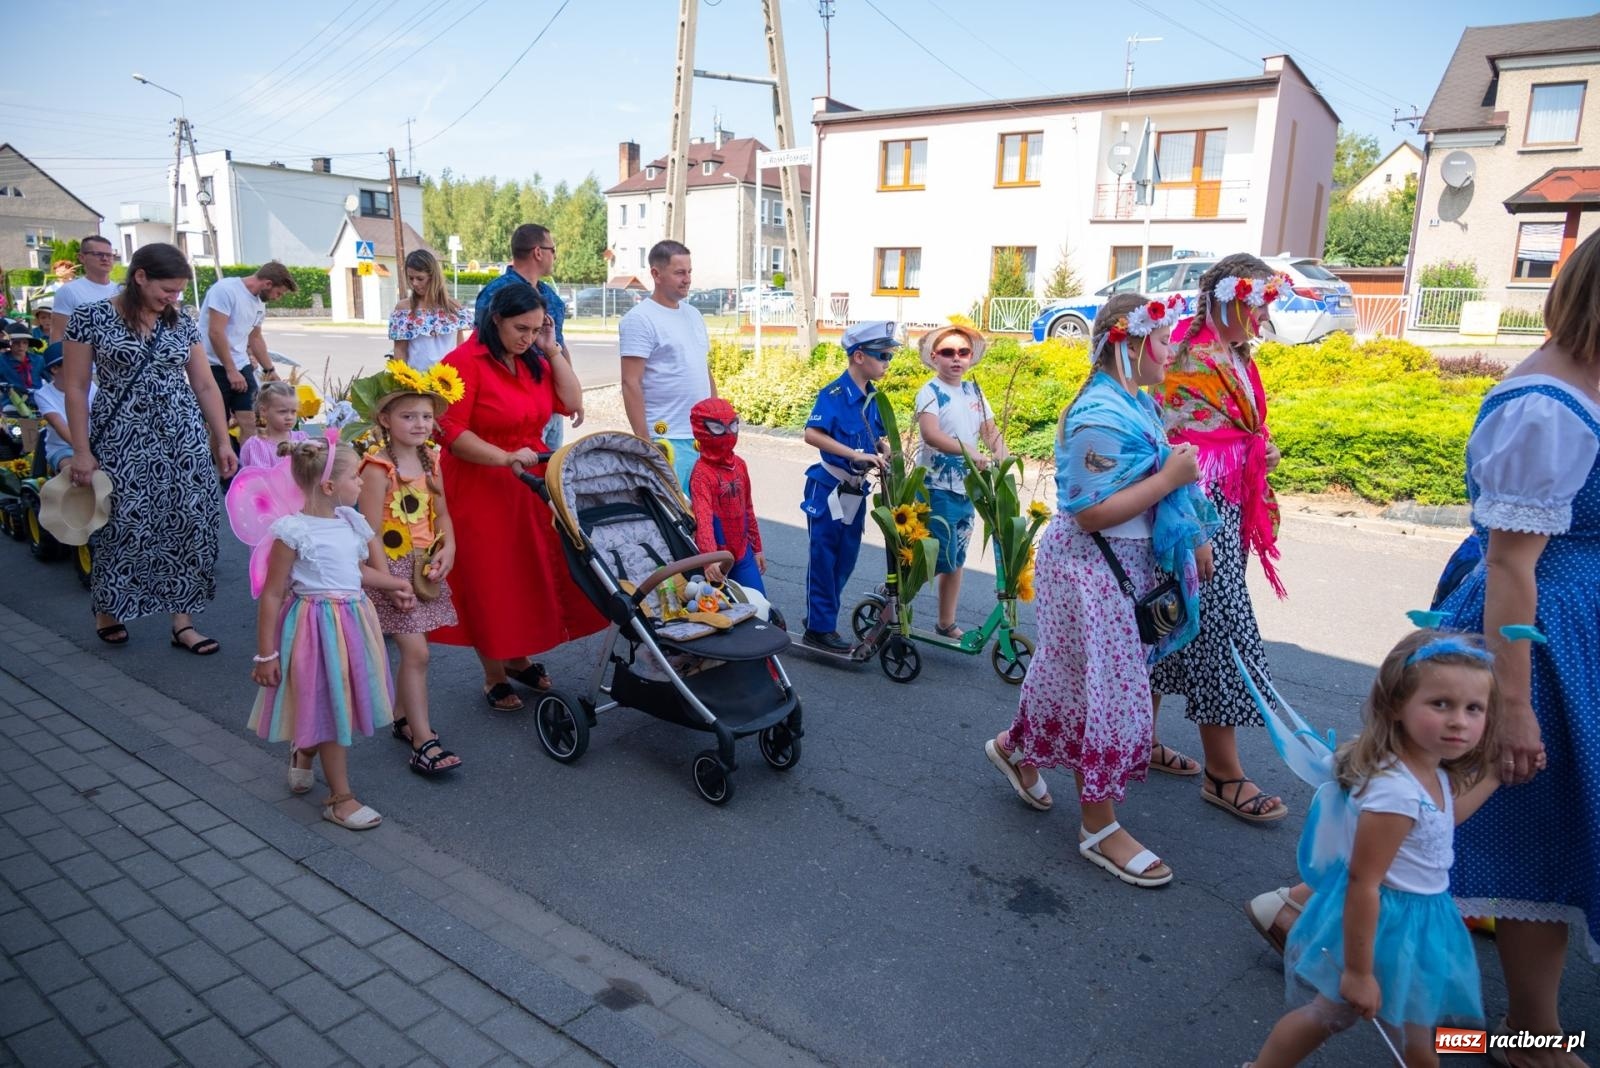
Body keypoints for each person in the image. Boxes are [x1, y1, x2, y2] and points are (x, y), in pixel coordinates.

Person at [1246, 232, 1600, 1065]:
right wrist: (1512, 704)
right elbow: (1515, 564)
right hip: (1534, 643)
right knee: (1521, 827)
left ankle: (1298, 910)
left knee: (1468, 818)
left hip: (1567, 634)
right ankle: (1533, 1036)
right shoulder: (1546, 406)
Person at [984, 293, 1213, 888]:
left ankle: (1017, 748)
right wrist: (1172, 476)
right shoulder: (1097, 416)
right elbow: (1091, 514)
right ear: (1127, 341)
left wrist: (1188, 527)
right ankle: (1099, 825)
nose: (1171, 351)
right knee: (1111, 690)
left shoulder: (1133, 402)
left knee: (1068, 675)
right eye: (1161, 340)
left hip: (1116, 564)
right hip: (1091, 565)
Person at [1245, 629, 1502, 1068]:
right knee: (1329, 1016)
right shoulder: (1395, 791)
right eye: (1440, 704)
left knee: (1419, 1038)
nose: (1459, 720)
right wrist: (1359, 973)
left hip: (1422, 923)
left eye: (1473, 708)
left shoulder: (1430, 770)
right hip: (1388, 926)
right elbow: (1365, 882)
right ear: (1397, 705)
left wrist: (1494, 775)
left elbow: (1445, 820)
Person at [1148, 253, 1291, 818]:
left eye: (1265, 303)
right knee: (1220, 625)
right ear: (1226, 297)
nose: (1259, 313)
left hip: (1225, 508)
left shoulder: (1235, 354)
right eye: (1254, 301)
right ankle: (1222, 772)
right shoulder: (1186, 354)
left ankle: (1140, 738)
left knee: (1169, 618)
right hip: (1194, 513)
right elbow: (1167, 442)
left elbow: (1242, 429)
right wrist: (1196, 526)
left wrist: (1264, 450)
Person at [431, 285, 605, 711]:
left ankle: (517, 657)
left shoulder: (533, 360)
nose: (527, 337)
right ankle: (494, 675)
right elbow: (450, 433)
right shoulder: (461, 363)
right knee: (491, 579)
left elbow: (571, 402)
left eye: (536, 328)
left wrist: (553, 350)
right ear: (496, 320)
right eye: (520, 328)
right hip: (480, 483)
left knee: (527, 574)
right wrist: (504, 456)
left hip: (528, 478)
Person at [60, 242, 239, 650]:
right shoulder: (90, 318)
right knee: (123, 525)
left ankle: (183, 622)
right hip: (123, 439)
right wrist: (82, 451)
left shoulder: (181, 323)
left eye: (178, 291)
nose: (173, 298)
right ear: (140, 276)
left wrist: (221, 439)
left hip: (183, 437)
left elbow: (204, 383)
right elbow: (75, 387)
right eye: (167, 290)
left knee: (189, 524)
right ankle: (109, 607)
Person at [249, 438, 408, 831]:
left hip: (354, 624)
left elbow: (355, 574)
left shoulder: (351, 523)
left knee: (335, 698)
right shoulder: (293, 531)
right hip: (313, 628)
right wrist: (265, 655)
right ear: (329, 487)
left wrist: (391, 584)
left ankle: (303, 752)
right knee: (330, 704)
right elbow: (272, 593)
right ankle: (340, 798)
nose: (361, 483)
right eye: (355, 476)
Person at [353, 363, 461, 775]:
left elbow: (444, 515)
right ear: (384, 419)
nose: (420, 424)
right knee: (416, 653)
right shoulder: (378, 469)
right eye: (408, 416)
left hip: (423, 568)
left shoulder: (431, 459)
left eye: (427, 416)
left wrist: (448, 548)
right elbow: (369, 533)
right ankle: (423, 740)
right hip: (390, 571)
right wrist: (389, 581)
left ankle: (402, 718)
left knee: (417, 653)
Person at [799, 321, 895, 652]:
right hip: (828, 487)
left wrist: (882, 449)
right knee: (824, 558)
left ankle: (819, 615)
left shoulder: (873, 398)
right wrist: (855, 454)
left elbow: (876, 437)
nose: (887, 361)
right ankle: (819, 626)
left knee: (847, 559)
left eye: (889, 355)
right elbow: (812, 434)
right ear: (858, 356)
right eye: (882, 355)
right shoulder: (835, 394)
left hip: (855, 491)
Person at [913, 323, 1006, 638]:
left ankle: (945, 622)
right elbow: (931, 434)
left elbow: (990, 432)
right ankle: (894, 608)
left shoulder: (973, 391)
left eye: (963, 352)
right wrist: (968, 451)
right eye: (948, 352)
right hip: (936, 486)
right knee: (936, 555)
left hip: (968, 486)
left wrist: (1003, 456)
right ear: (935, 357)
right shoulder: (930, 391)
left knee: (957, 557)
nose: (956, 359)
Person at [472, 224, 580, 449]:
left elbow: (558, 344)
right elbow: (482, 350)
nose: (555, 256)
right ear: (538, 252)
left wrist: (571, 392)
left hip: (550, 403)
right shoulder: (497, 293)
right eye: (553, 249)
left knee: (550, 477)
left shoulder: (548, 294)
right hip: (515, 407)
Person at [620, 240, 715, 490]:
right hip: (666, 438)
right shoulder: (640, 319)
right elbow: (631, 382)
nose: (687, 279)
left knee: (704, 518)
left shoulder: (693, 314)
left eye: (689, 272)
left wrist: (716, 418)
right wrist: (644, 441)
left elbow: (702, 368)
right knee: (674, 520)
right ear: (656, 274)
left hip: (701, 436)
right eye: (679, 272)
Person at [200, 262, 297, 446]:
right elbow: (216, 332)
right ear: (268, 284)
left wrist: (270, 370)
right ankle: (224, 474)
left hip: (240, 365)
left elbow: (255, 338)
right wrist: (231, 370)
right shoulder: (226, 290)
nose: (278, 298)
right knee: (219, 427)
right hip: (212, 366)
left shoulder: (260, 304)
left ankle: (249, 471)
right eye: (279, 293)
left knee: (253, 423)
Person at [688, 397, 764, 592]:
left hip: (743, 551)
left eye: (733, 426)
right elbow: (703, 520)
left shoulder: (739, 465)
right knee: (725, 612)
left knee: (760, 602)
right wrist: (709, 559)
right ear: (702, 429)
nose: (728, 434)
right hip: (718, 558)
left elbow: (748, 508)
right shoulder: (701, 474)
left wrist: (757, 548)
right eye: (718, 428)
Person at [389, 249, 472, 370]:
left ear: (433, 277)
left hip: (448, 382)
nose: (415, 283)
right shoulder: (404, 309)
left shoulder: (454, 307)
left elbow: (460, 348)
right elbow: (400, 350)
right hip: (416, 384)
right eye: (411, 278)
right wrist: (402, 380)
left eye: (420, 278)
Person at [32, 343, 96, 472]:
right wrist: (84, 451)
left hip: (94, 444)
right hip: (63, 448)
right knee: (72, 470)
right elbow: (59, 424)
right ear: (55, 369)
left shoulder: (91, 386)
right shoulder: (43, 395)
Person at [48, 235, 120, 342]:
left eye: (109, 255)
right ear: (82, 258)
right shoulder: (68, 291)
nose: (105, 258)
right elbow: (58, 334)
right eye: (98, 254)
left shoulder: (121, 290)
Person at [239, 381, 307, 469]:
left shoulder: (301, 438)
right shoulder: (257, 446)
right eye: (283, 411)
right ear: (263, 411)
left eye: (293, 412)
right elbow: (262, 479)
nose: (289, 417)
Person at [2, 324, 39, 391]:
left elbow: (52, 379)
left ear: (28, 344)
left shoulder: (38, 360)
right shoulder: (2, 361)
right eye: (16, 342)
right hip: (10, 399)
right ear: (9, 343)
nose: (20, 346)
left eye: (25, 342)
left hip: (36, 398)